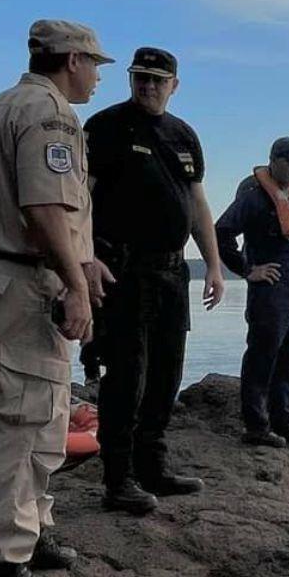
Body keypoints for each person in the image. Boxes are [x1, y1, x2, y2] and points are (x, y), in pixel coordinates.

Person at [0, 19, 115, 577]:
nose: (98, 76)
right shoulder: (50, 115)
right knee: (21, 427)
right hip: (25, 283)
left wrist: (83, 258)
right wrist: (75, 282)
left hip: (3, 277)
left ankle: (34, 530)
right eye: (95, 64)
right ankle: (0, 567)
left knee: (36, 416)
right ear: (71, 59)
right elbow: (42, 203)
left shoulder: (0, 106)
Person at [83, 47, 228, 511]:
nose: (147, 86)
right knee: (127, 375)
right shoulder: (105, 128)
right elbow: (80, 199)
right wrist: (82, 259)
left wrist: (214, 265)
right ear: (130, 80)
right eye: (140, 78)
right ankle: (118, 479)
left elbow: (197, 204)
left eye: (157, 80)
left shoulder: (183, 135)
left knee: (167, 373)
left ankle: (153, 466)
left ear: (174, 86)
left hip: (172, 270)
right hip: (123, 270)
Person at [214, 137, 289, 449]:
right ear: (274, 160)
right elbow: (222, 232)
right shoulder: (254, 196)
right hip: (269, 290)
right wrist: (248, 270)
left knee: (288, 357)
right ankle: (256, 425)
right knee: (262, 355)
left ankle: (285, 421)